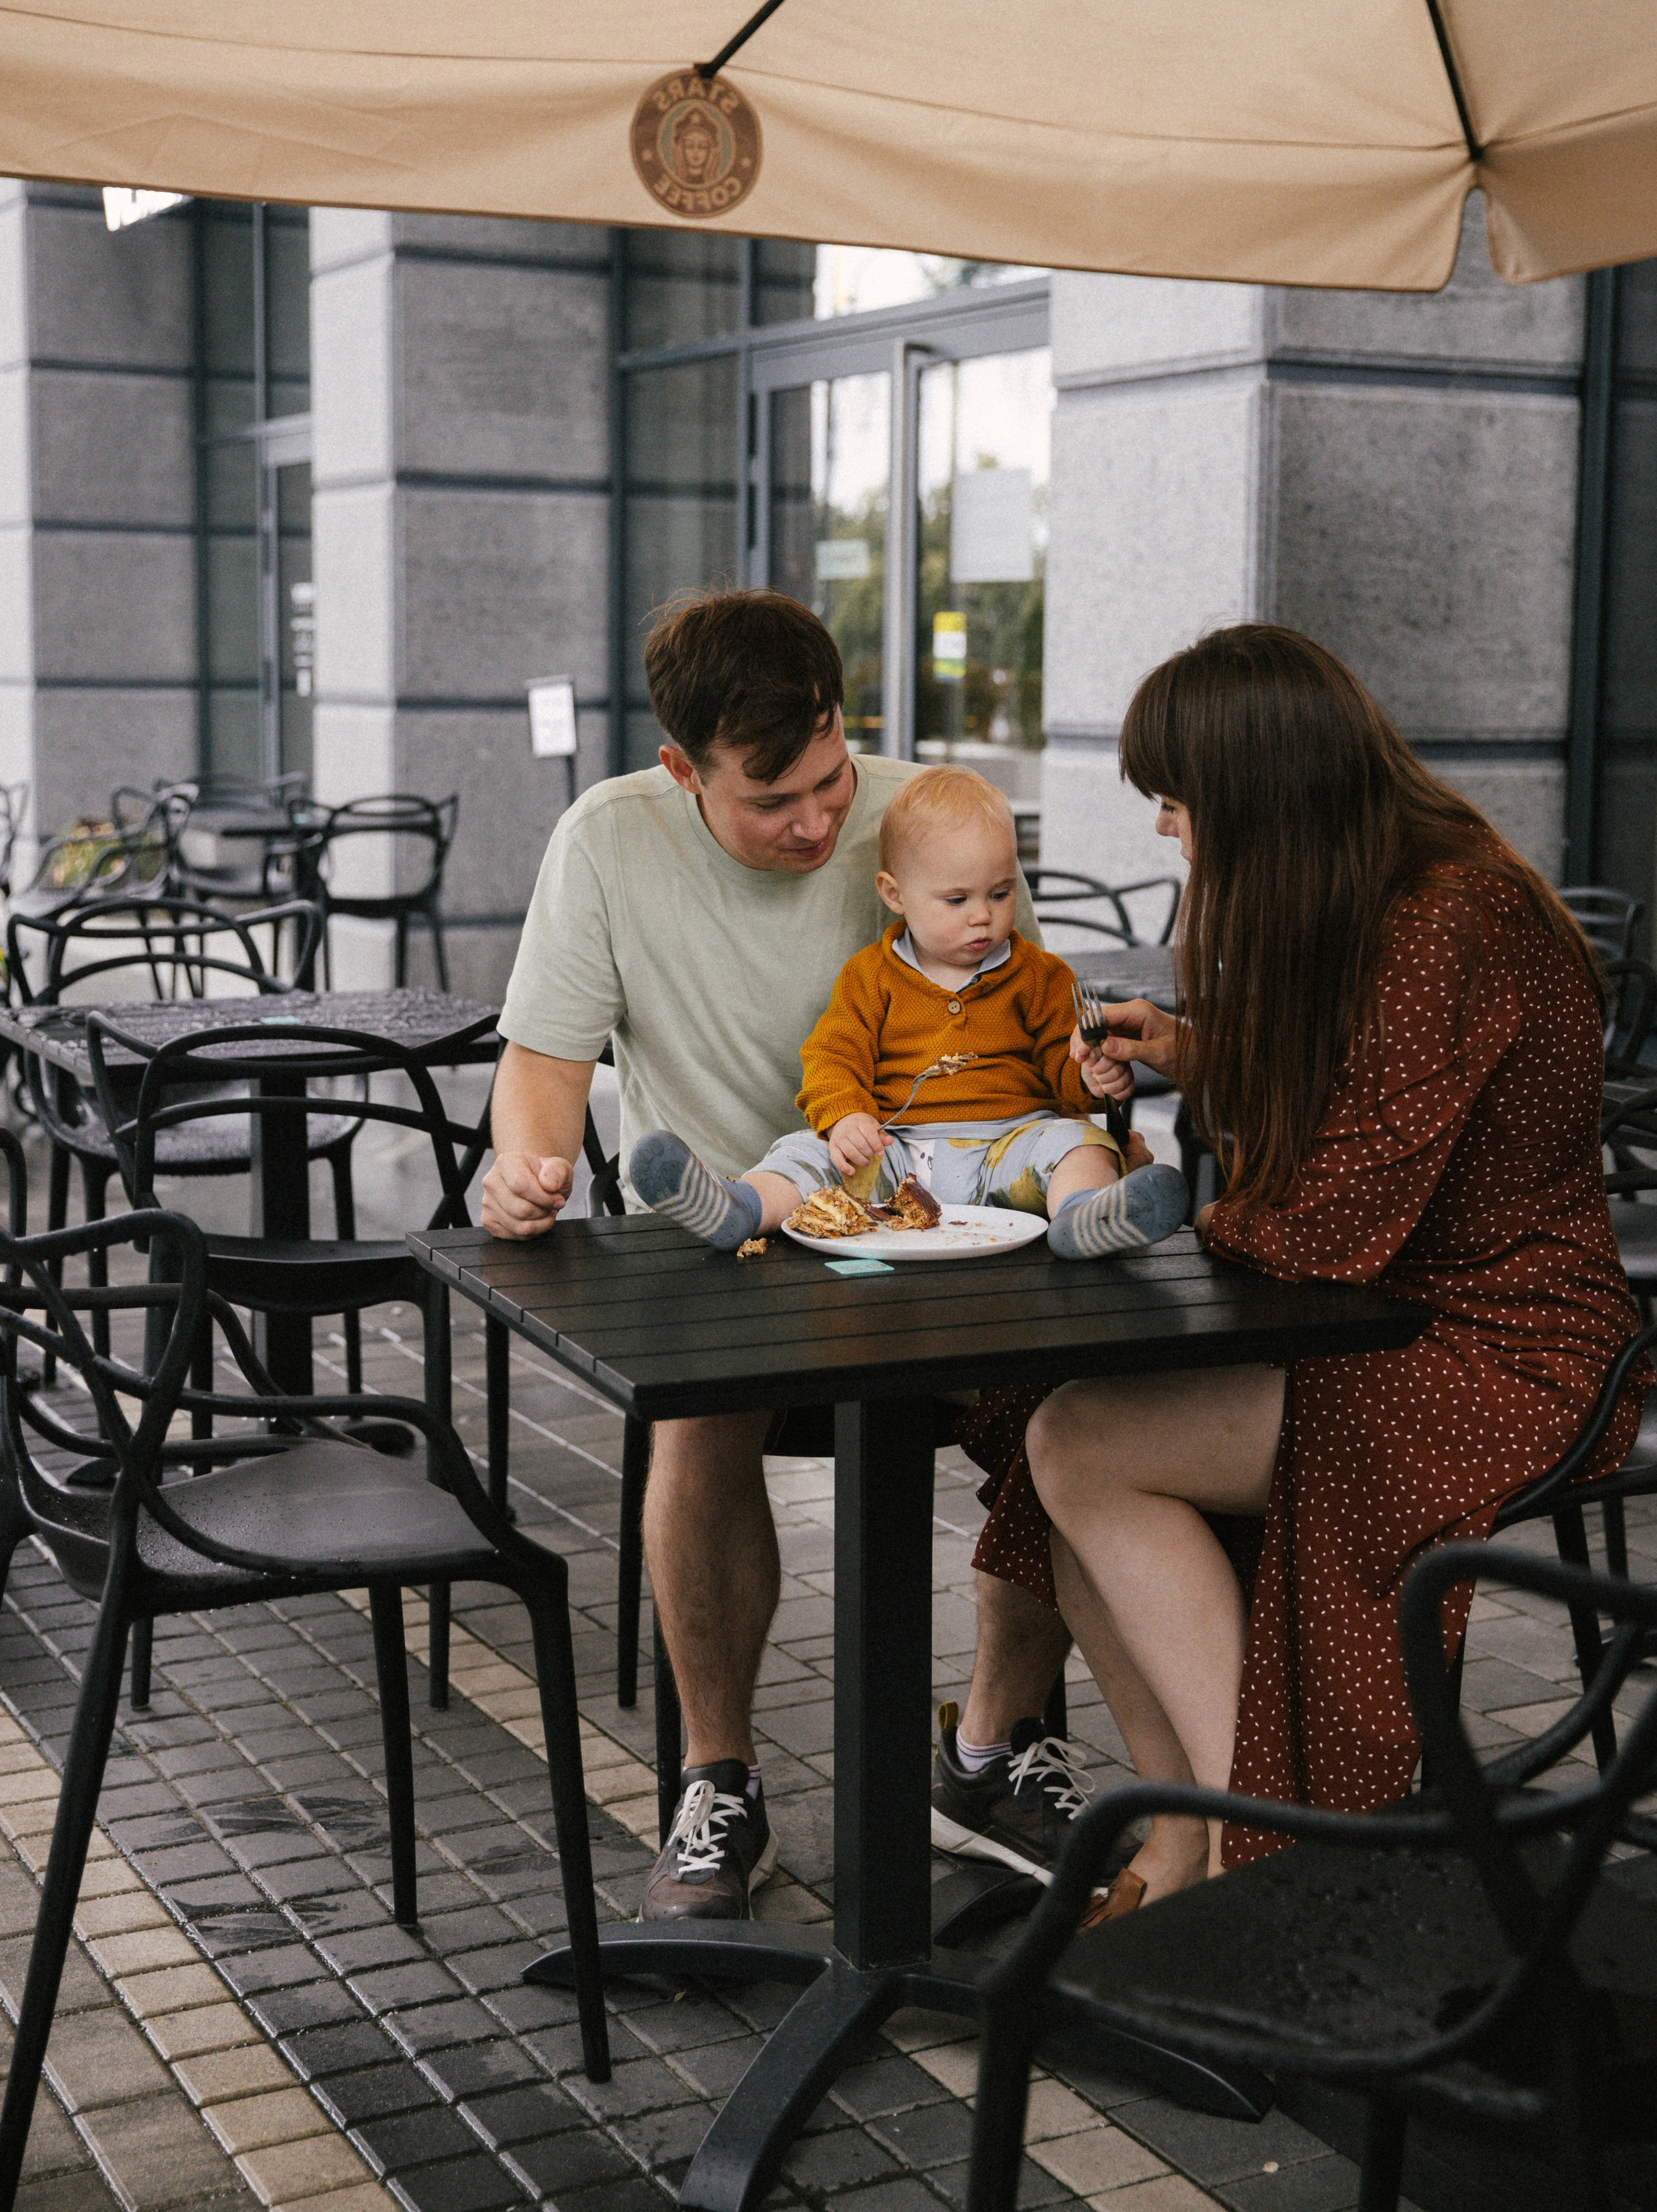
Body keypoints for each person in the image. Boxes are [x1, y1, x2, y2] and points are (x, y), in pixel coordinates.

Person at [984, 623, 1646, 1921]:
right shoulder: (1413, 884)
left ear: (1252, 799)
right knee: (1051, 1442)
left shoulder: (1447, 925)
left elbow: (1327, 1227)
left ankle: (1254, 1862)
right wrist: (1198, 1049)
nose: (1168, 835)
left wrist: (1148, 1231)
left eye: (1175, 806)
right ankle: (1191, 1852)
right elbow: (1377, 1106)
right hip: (1402, 1318)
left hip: (1499, 1352)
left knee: (1076, 1441)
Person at [482, 592, 1105, 1920]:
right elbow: (541, 1072)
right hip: (727, 1248)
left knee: (1083, 1400)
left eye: (829, 778)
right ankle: (720, 1783)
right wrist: (525, 1168)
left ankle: (986, 1753)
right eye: (774, 801)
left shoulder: (922, 814)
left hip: (943, 1231)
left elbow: (1018, 1024)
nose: (820, 823)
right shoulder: (608, 840)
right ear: (681, 771)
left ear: (844, 726)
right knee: (700, 1428)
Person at [630, 763, 1185, 1258]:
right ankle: (743, 1206)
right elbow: (832, 1055)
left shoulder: (1040, 976)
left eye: (1000, 892)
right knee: (805, 1151)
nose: (983, 918)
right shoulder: (871, 976)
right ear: (895, 894)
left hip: (1011, 1146)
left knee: (1081, 1143)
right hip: (894, 1154)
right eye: (957, 899)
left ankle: (1085, 1215)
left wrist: (1092, 1075)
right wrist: (847, 1116)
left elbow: (1065, 1074)